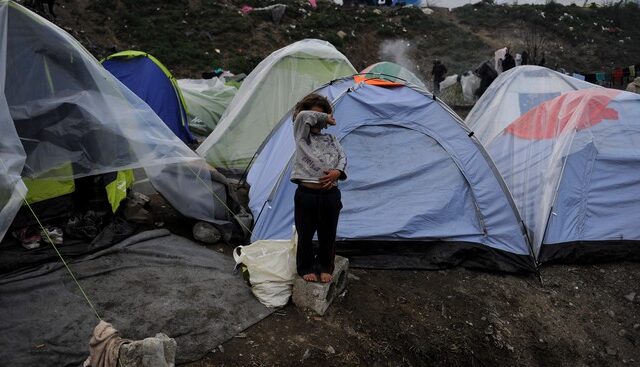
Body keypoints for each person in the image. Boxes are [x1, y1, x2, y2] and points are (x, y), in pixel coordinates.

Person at [291, 94, 347, 283]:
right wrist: (325, 116)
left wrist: (337, 172)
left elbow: (342, 157)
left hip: (330, 194)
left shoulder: (331, 138)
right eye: (314, 115)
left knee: (328, 234)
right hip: (307, 194)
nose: (315, 119)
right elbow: (302, 117)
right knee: (305, 234)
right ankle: (305, 266)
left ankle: (325, 266)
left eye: (320, 116)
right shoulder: (301, 136)